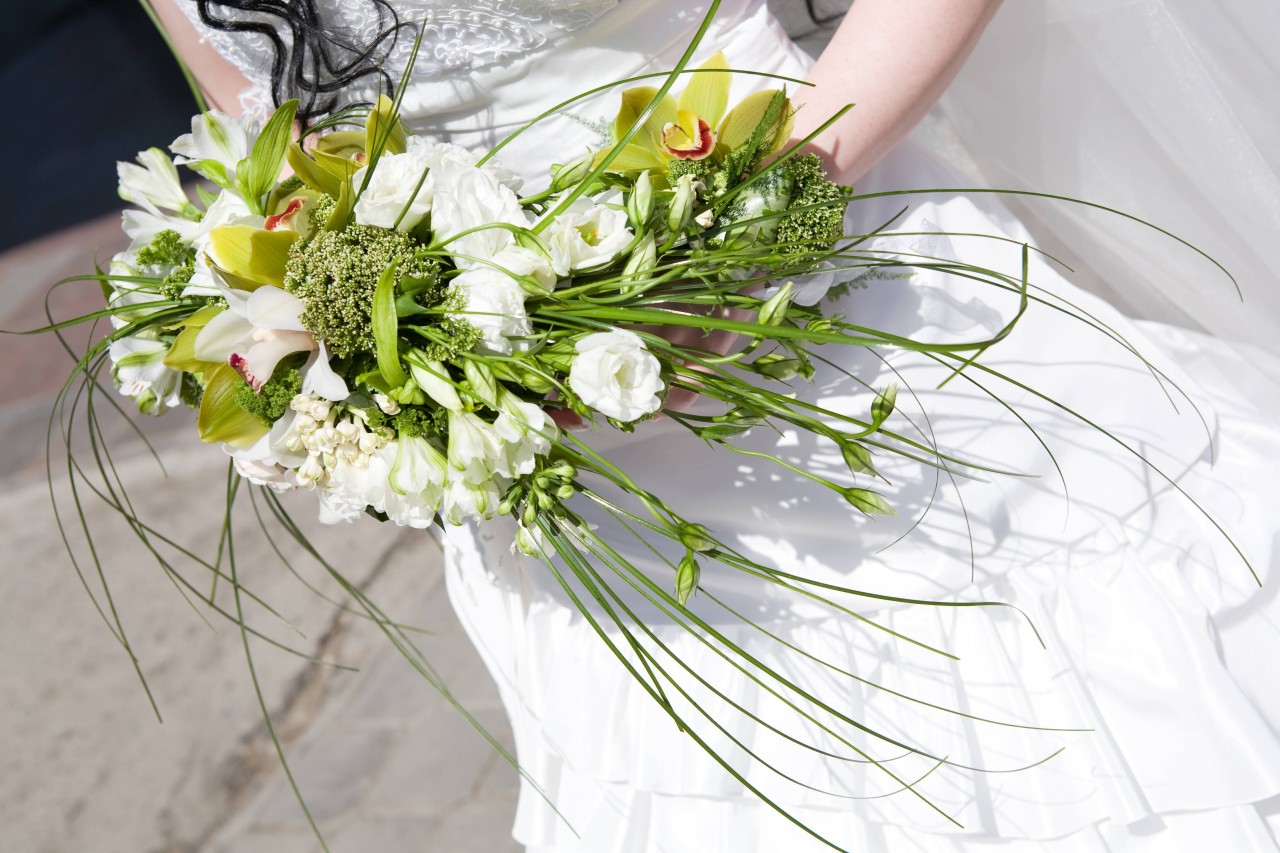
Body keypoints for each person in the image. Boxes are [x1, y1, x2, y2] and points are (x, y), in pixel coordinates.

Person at [152, 0, 1280, 850]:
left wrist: (754, 223)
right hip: (544, 454)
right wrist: (327, 356)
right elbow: (255, 120)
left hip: (819, 285)